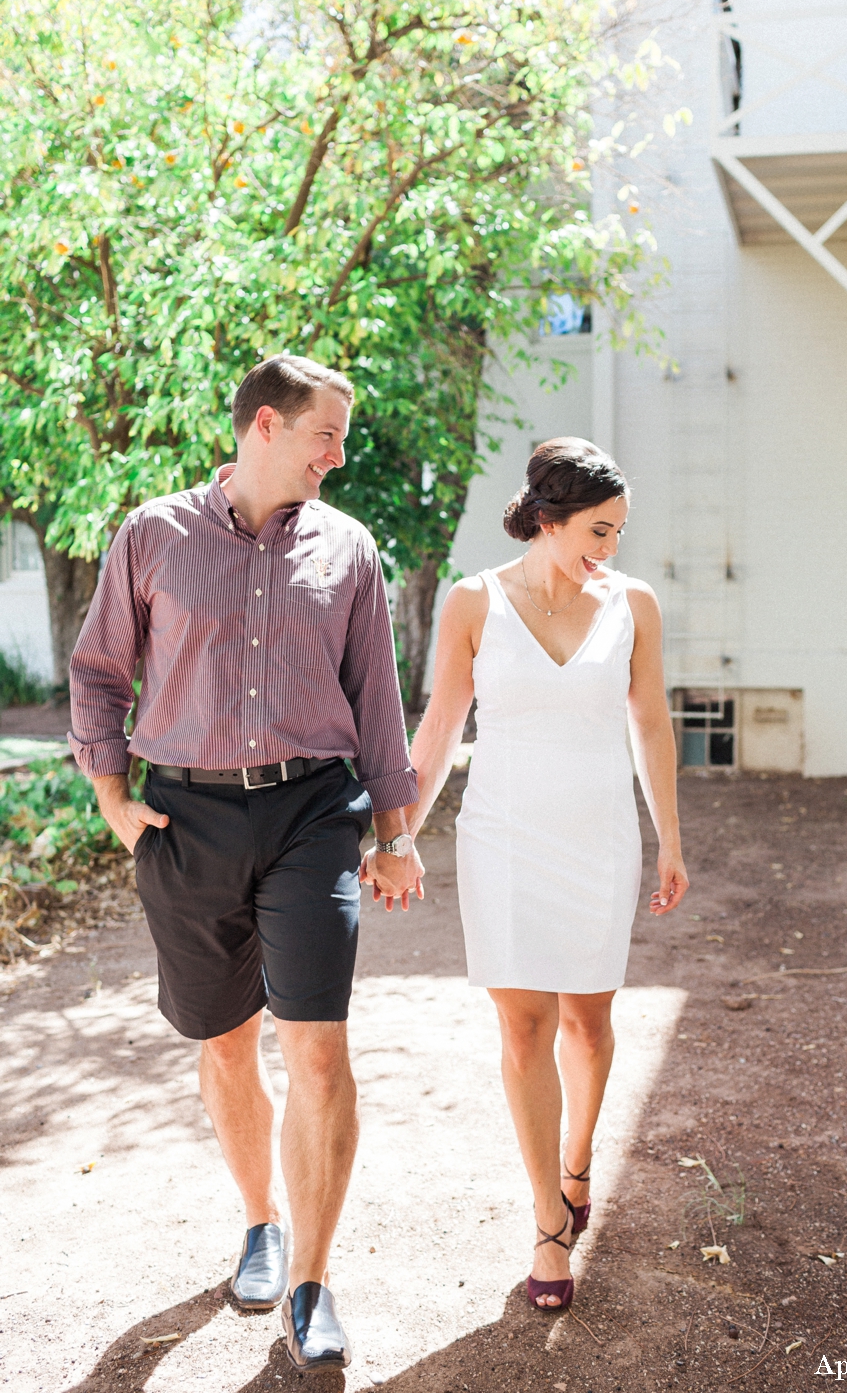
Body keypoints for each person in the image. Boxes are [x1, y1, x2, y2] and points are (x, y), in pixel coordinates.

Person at [69, 355, 423, 1372]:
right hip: (184, 820)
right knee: (224, 1044)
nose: (339, 455)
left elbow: (376, 701)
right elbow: (100, 670)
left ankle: (311, 1281)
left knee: (316, 1048)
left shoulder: (347, 547)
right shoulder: (153, 532)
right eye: (327, 435)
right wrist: (113, 800)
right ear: (263, 425)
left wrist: (394, 835)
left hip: (315, 812)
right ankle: (261, 1221)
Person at [403, 438, 689, 1311]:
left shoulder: (633, 604)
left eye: (620, 531)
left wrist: (670, 841)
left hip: (599, 838)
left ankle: (576, 1160)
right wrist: (398, 833)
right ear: (547, 517)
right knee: (522, 1031)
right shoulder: (472, 602)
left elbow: (650, 728)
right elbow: (441, 726)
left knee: (589, 1025)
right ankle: (545, 1221)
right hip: (503, 839)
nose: (610, 547)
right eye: (598, 529)